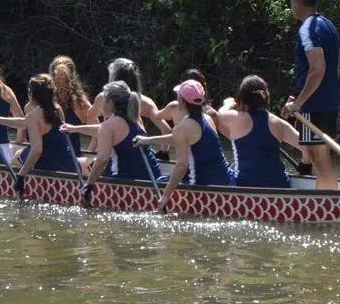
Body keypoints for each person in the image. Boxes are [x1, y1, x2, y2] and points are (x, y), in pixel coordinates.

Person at [134, 79, 232, 211]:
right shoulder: (207, 118)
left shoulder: (184, 127)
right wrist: (147, 140)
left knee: (161, 181)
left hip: (203, 182)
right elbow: (179, 139)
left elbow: (181, 165)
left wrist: (165, 196)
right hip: (225, 178)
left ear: (181, 100)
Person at [280, 0, 340, 190]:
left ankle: (329, 210)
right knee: (319, 156)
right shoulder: (327, 24)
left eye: (291, 0)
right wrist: (296, 96)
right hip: (328, 102)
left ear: (297, 1)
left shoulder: (307, 29)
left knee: (318, 158)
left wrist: (299, 103)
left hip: (313, 106)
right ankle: (329, 200)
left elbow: (317, 70)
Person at [0, 74, 77, 193]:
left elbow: (37, 150)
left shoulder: (35, 116)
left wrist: (21, 176)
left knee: (17, 159)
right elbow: (24, 122)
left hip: (50, 170)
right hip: (69, 165)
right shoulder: (57, 109)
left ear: (33, 95)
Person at [218, 75, 301, 188]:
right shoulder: (278, 123)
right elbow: (305, 145)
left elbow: (219, 114)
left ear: (241, 99)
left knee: (230, 170)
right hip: (279, 185)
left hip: (246, 186)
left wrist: (228, 104)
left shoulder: (235, 118)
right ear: (265, 96)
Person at [79, 81, 162, 192]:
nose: (101, 102)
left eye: (103, 98)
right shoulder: (136, 119)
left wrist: (88, 185)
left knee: (79, 164)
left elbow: (102, 159)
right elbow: (102, 131)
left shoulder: (108, 125)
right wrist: (74, 128)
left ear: (110, 103)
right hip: (153, 177)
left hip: (127, 184)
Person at [87, 58, 171, 148]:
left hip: (113, 154)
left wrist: (94, 144)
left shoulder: (103, 98)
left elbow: (90, 116)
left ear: (114, 78)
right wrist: (163, 153)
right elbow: (166, 130)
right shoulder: (146, 102)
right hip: (138, 151)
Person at [49, 56, 92, 157]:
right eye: (58, 78)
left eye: (63, 78)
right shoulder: (47, 99)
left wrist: (90, 151)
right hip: (55, 156)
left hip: (67, 158)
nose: (61, 83)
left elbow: (99, 132)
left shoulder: (79, 103)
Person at [153, 68, 219, 125]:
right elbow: (155, 117)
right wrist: (165, 130)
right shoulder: (211, 114)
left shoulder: (173, 107)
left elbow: (155, 116)